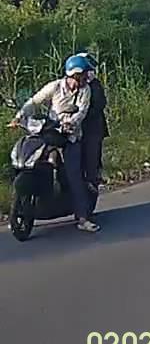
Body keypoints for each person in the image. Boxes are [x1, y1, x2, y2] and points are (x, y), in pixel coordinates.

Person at [8, 55, 98, 232]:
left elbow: (81, 112)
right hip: (50, 130)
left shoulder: (85, 90)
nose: (86, 78)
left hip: (70, 136)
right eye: (83, 74)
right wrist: (19, 117)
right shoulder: (56, 86)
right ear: (75, 74)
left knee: (73, 175)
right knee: (33, 157)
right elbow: (35, 101)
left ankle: (83, 218)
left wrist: (70, 123)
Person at [76, 52, 109, 201]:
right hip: (72, 127)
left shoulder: (94, 85)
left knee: (92, 158)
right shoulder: (68, 84)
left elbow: (100, 104)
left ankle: (92, 179)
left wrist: (82, 114)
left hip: (92, 128)